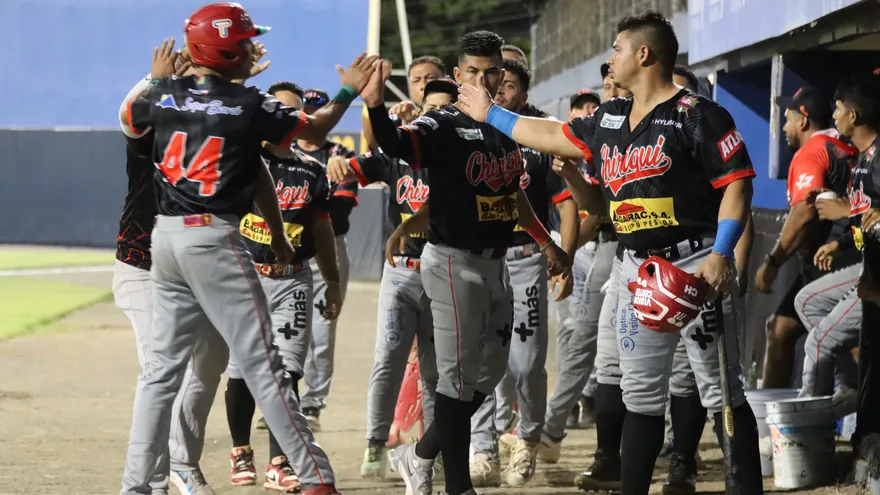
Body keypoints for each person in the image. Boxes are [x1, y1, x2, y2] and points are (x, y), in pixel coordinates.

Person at [457, 11, 763, 495]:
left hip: (694, 264)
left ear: (644, 54)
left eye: (617, 48)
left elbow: (737, 184)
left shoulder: (697, 114)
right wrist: (490, 114)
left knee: (721, 388)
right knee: (640, 393)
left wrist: (722, 252)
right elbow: (553, 134)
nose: (609, 57)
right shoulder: (610, 117)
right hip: (638, 267)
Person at [118, 4, 377, 494]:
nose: (253, 46)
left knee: (160, 374)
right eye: (246, 41)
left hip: (167, 239)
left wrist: (155, 80)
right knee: (264, 363)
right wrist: (349, 90)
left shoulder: (166, 95)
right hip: (214, 237)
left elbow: (131, 118)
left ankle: (135, 486)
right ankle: (315, 477)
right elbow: (317, 131)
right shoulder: (251, 105)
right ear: (231, 51)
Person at [360, 31, 570, 495]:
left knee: (494, 372)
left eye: (491, 70)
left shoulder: (505, 124)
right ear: (457, 77)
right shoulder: (444, 123)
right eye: (473, 71)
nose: (483, 78)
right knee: (457, 380)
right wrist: (375, 106)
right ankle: (457, 485)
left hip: (497, 262)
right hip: (453, 262)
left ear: (502, 72)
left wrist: (546, 243)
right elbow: (398, 144)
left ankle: (418, 454)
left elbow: (512, 194)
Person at [115, 40, 230, 495]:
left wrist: (232, 80)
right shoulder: (151, 128)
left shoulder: (210, 132)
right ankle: (155, 481)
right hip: (142, 264)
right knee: (162, 372)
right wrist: (155, 79)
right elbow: (128, 114)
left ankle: (182, 461)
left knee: (211, 363)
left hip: (198, 267)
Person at [328, 78, 458, 479]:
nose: (434, 114)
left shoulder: (458, 157)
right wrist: (339, 164)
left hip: (442, 271)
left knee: (438, 372)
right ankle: (374, 443)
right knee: (388, 358)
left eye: (443, 108)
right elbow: (353, 169)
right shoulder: (399, 155)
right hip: (401, 273)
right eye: (428, 106)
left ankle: (427, 456)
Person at [223, 81, 343, 493]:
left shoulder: (311, 169)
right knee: (240, 370)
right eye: (280, 111)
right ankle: (240, 450)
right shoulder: (242, 162)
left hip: (292, 281)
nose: (288, 120)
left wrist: (332, 280)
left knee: (287, 371)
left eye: (294, 113)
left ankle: (280, 460)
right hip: (247, 279)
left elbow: (323, 232)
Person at [467, 58, 578, 488]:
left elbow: (567, 202)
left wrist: (563, 257)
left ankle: (528, 438)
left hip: (527, 261)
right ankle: (483, 447)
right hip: (479, 261)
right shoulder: (468, 136)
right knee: (480, 359)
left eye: (509, 85)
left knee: (527, 364)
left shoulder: (537, 141)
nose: (499, 91)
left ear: (524, 95)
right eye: (494, 83)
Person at [757, 86, 861, 390]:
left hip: (831, 260)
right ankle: (775, 421)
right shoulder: (842, 145)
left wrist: (773, 261)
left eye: (787, 119)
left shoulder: (812, 151)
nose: (785, 128)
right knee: (780, 329)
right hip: (839, 255)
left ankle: (850, 401)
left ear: (803, 121)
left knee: (847, 341)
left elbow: (804, 213)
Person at [284, 88, 359, 430]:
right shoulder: (284, 153)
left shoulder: (340, 153)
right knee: (282, 329)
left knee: (323, 332)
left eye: (319, 110)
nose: (313, 117)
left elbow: (339, 215)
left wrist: (322, 187)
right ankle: (284, 397)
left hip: (328, 248)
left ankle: (313, 403)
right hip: (290, 248)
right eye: (309, 110)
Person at [362, 56, 446, 149]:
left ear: (445, 79)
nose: (423, 85)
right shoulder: (399, 114)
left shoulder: (458, 112)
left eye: (430, 78)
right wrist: (372, 98)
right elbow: (373, 143)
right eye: (416, 80)